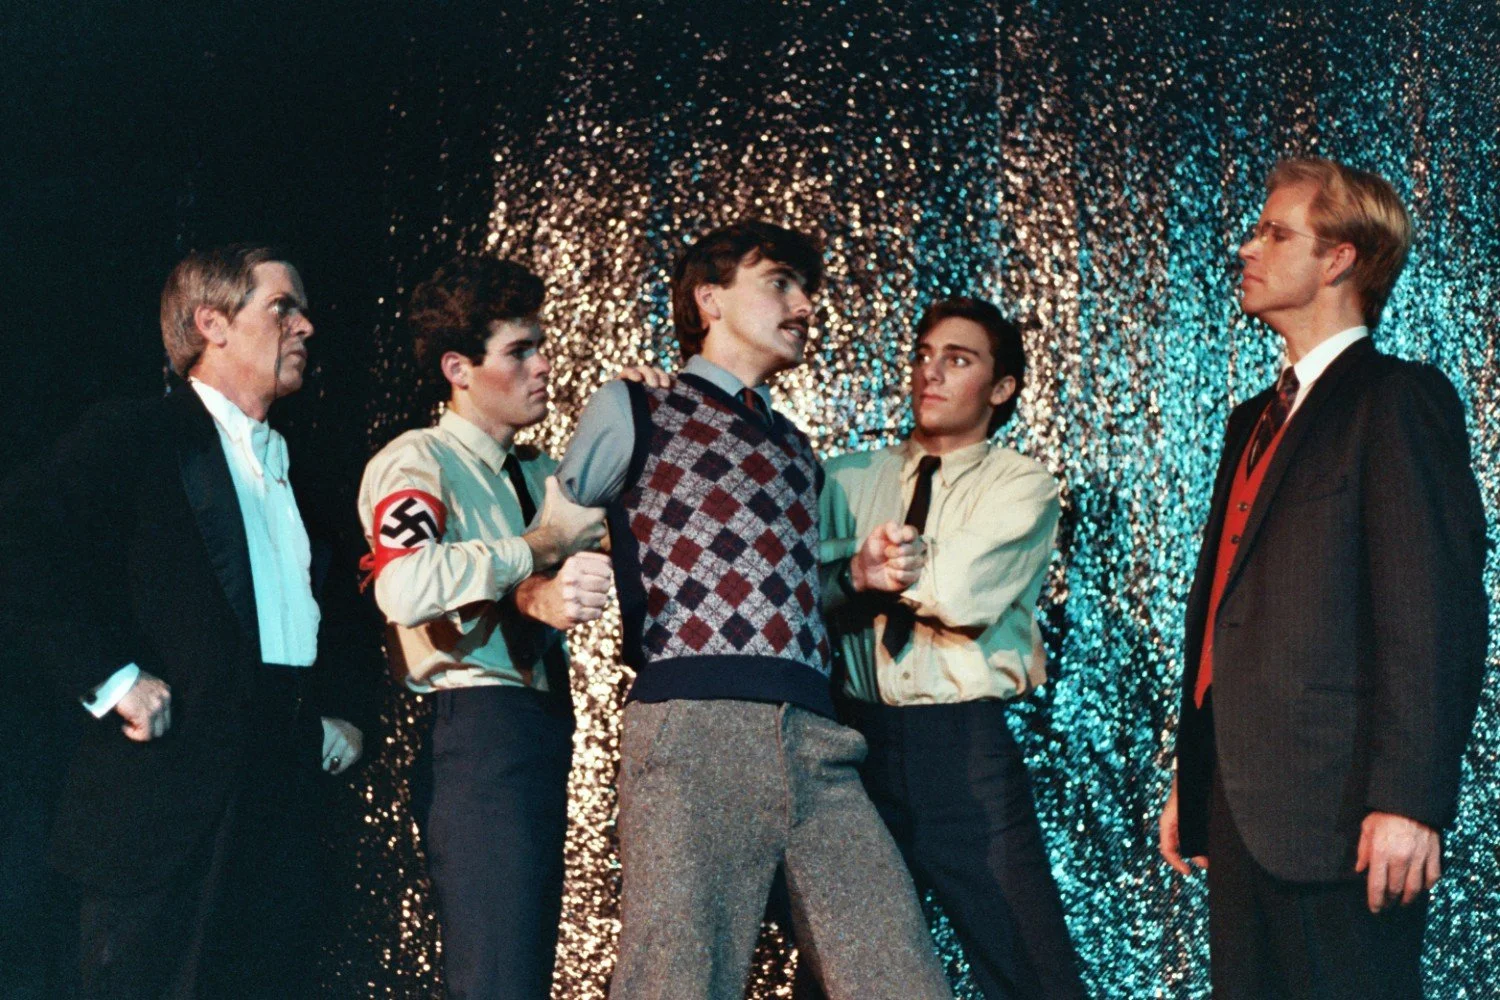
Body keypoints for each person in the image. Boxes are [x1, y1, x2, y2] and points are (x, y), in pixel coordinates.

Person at [556, 220, 953, 999]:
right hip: (694, 728)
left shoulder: (796, 449)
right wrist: (539, 586)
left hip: (815, 738)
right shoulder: (636, 405)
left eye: (807, 289)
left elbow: (796, 600)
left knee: (896, 972)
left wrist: (858, 581)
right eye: (779, 282)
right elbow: (551, 529)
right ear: (710, 298)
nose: (803, 303)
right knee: (677, 979)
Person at [1157, 156, 1489, 999]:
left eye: (1274, 232)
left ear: (1339, 258)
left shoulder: (1398, 399)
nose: (1246, 246)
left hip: (1344, 810)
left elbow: (1433, 615)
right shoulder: (1251, 420)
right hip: (1241, 800)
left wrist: (1410, 802)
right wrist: (1194, 776)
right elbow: (1228, 607)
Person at [11, 244, 379, 998]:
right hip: (166, 810)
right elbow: (19, 545)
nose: (307, 325)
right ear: (212, 323)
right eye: (283, 306)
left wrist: (342, 706)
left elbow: (342, 600)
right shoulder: (136, 436)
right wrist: (109, 679)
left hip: (280, 795)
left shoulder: (303, 469)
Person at [818, 297, 1087, 999]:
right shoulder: (843, 477)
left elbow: (962, 591)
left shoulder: (1022, 485)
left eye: (958, 360)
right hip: (853, 741)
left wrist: (851, 567)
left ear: (1001, 390)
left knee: (1032, 969)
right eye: (923, 355)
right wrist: (848, 569)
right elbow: (786, 589)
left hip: (961, 747)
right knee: (838, 967)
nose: (929, 373)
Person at [357, 257, 607, 1000]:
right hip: (478, 728)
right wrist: (538, 550)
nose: (543, 365)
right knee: (496, 975)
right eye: (519, 350)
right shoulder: (417, 459)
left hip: (537, 726)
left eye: (543, 344)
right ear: (458, 369)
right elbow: (404, 584)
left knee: (519, 971)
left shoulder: (537, 474)